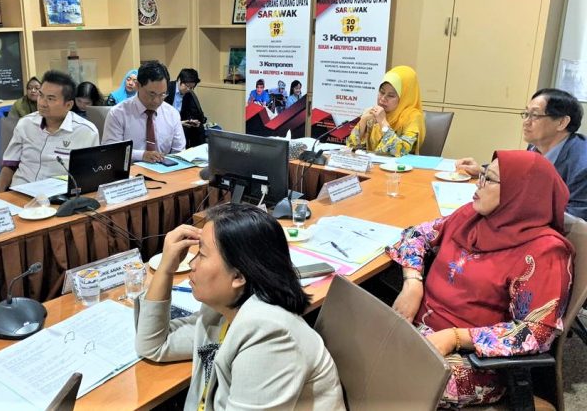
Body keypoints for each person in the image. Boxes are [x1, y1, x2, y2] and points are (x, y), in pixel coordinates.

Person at [388, 150, 573, 407]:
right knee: (349, 342)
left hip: (475, 360)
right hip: (418, 330)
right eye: (482, 174)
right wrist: (412, 283)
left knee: (384, 375)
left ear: (520, 193)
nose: (478, 184)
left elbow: (536, 332)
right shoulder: (471, 216)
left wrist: (454, 337)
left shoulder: (544, 252)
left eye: (489, 179)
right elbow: (415, 235)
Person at [135, 204, 345, 410]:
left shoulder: (269, 337)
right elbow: (154, 345)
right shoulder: (223, 312)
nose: (192, 264)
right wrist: (166, 268)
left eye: (202, 254)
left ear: (238, 276)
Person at [456, 88, 586, 220]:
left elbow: (575, 220)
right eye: (526, 114)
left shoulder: (582, 166)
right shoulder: (535, 147)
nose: (526, 122)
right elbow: (521, 179)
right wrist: (484, 172)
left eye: (534, 115)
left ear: (561, 122)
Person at [0, 70, 99, 192]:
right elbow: (9, 165)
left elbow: (90, 177)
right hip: (20, 192)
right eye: (41, 95)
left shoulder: (86, 132)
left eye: (50, 99)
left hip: (58, 196)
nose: (42, 103)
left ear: (68, 105)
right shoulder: (25, 124)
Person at [102, 60, 185, 162]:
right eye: (152, 94)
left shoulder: (172, 114)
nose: (156, 101)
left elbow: (179, 152)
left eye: (162, 94)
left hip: (164, 169)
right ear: (137, 85)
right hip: (130, 169)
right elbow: (110, 151)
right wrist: (141, 155)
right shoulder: (118, 113)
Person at [346, 65, 426, 156]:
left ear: (405, 97)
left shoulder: (413, 117)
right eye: (382, 92)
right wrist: (363, 121)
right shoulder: (374, 113)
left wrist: (383, 123)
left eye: (391, 95)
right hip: (373, 164)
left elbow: (400, 151)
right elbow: (350, 147)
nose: (383, 98)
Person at [164, 68, 207, 148]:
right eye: (187, 86)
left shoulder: (189, 94)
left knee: (198, 128)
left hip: (182, 123)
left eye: (191, 88)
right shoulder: (167, 89)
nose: (188, 89)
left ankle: (198, 152)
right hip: (166, 123)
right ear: (179, 80)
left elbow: (194, 112)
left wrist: (192, 120)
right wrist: (179, 123)